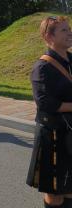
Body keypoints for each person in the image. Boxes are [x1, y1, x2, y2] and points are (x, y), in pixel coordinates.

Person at [27, 16, 72, 208]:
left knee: (69, 190)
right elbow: (45, 102)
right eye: (64, 30)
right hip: (52, 136)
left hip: (70, 133)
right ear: (48, 37)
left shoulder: (70, 60)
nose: (70, 33)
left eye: (69, 29)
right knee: (55, 195)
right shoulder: (42, 67)